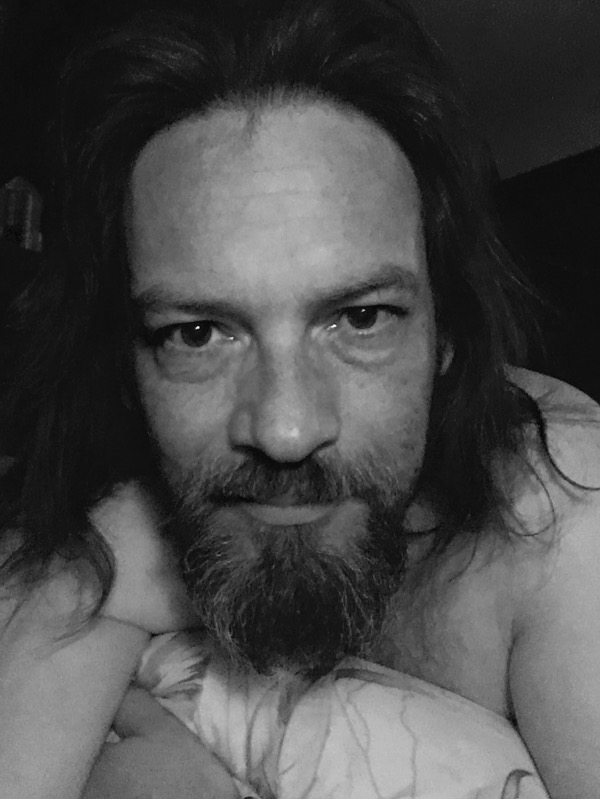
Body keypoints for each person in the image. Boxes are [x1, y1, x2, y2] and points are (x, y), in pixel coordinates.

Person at [1, 0, 599, 797]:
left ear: (448, 335)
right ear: (127, 369)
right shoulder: (121, 520)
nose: (284, 429)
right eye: (198, 333)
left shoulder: (569, 537)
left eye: (361, 318)